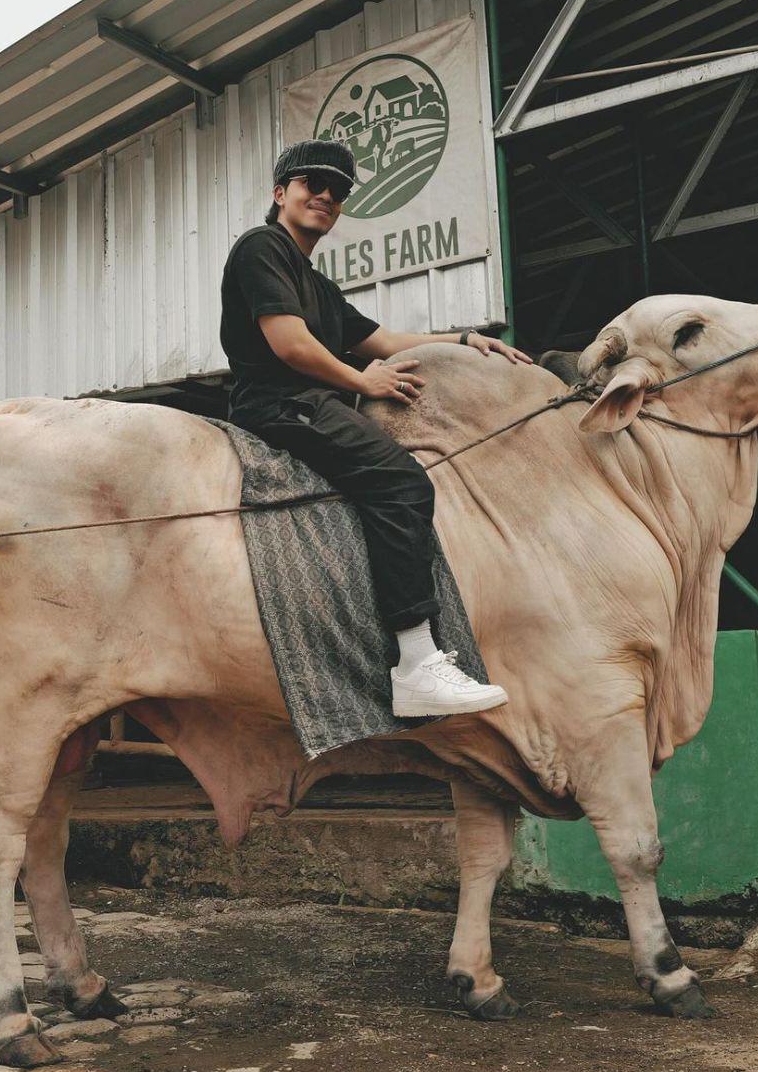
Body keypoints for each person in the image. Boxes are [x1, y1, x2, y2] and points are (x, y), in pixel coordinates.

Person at [220, 139, 531, 717]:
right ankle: (415, 662)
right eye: (313, 183)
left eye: (338, 192)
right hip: (280, 402)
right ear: (280, 192)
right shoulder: (262, 248)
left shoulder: (319, 285)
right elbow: (289, 344)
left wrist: (464, 341)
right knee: (403, 484)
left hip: (309, 399)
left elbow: (386, 343)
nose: (326, 197)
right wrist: (364, 383)